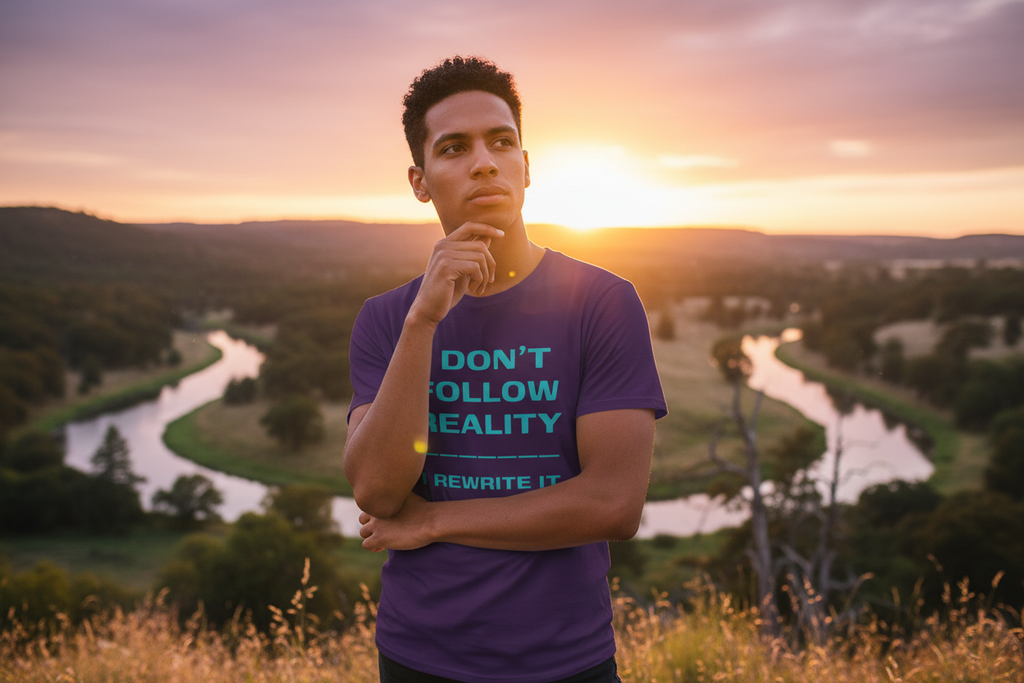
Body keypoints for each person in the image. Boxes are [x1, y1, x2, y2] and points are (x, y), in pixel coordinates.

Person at [344, 56, 667, 683]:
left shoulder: (602, 302)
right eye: (454, 148)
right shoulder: (387, 319)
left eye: (501, 142)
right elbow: (378, 492)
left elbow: (612, 504)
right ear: (419, 181)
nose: (485, 162)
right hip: (418, 656)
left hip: (566, 660)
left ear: (526, 165)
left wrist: (434, 520)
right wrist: (423, 323)